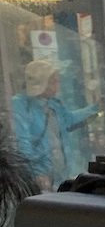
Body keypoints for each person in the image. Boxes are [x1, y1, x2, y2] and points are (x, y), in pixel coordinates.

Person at [11, 59, 99, 191]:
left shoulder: (53, 104)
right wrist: (35, 173)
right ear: (41, 83)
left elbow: (69, 119)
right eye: (53, 81)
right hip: (40, 177)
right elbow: (22, 144)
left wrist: (95, 108)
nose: (58, 85)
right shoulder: (21, 105)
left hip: (60, 171)